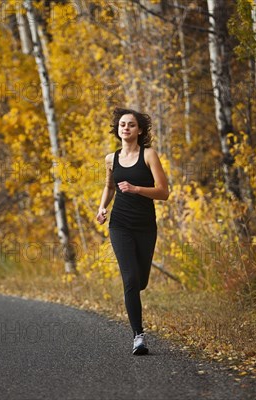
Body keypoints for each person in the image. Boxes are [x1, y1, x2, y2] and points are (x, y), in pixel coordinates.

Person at [96, 107, 170, 355]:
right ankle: (138, 336)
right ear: (117, 130)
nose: (125, 128)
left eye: (130, 125)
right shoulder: (111, 158)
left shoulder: (149, 155)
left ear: (139, 130)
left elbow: (163, 192)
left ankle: (134, 294)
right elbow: (110, 186)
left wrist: (137, 189)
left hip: (145, 226)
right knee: (129, 279)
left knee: (140, 281)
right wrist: (102, 207)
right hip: (120, 225)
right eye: (122, 125)